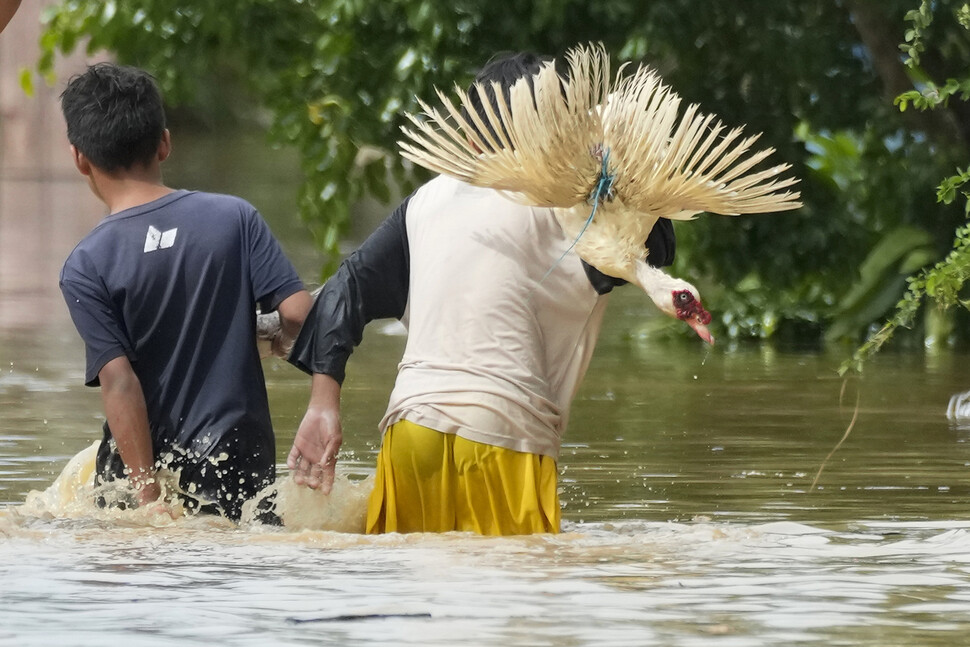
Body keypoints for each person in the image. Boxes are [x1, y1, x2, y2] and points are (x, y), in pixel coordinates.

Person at [287, 52, 675, 535]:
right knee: (516, 604)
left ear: (469, 137)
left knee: (422, 596)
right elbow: (658, 250)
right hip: (504, 434)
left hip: (410, 433)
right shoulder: (576, 209)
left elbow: (345, 289)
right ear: (559, 135)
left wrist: (323, 406)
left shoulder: (423, 204)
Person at [58, 63, 312, 520]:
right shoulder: (235, 218)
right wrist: (265, 334)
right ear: (165, 143)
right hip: (237, 460)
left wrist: (148, 498)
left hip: (146, 473)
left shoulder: (86, 263)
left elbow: (120, 382)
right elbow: (298, 314)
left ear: (79, 158)